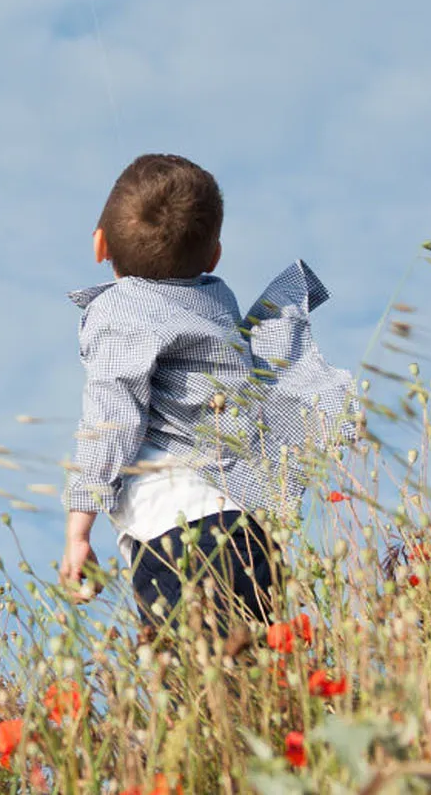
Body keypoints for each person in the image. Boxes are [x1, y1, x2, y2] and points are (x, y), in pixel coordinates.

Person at [59, 153, 355, 633]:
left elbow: (112, 420)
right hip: (252, 532)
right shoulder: (215, 306)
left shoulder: (120, 312)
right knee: (252, 666)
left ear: (100, 244)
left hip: (178, 533)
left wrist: (79, 527)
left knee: (192, 672)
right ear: (214, 256)